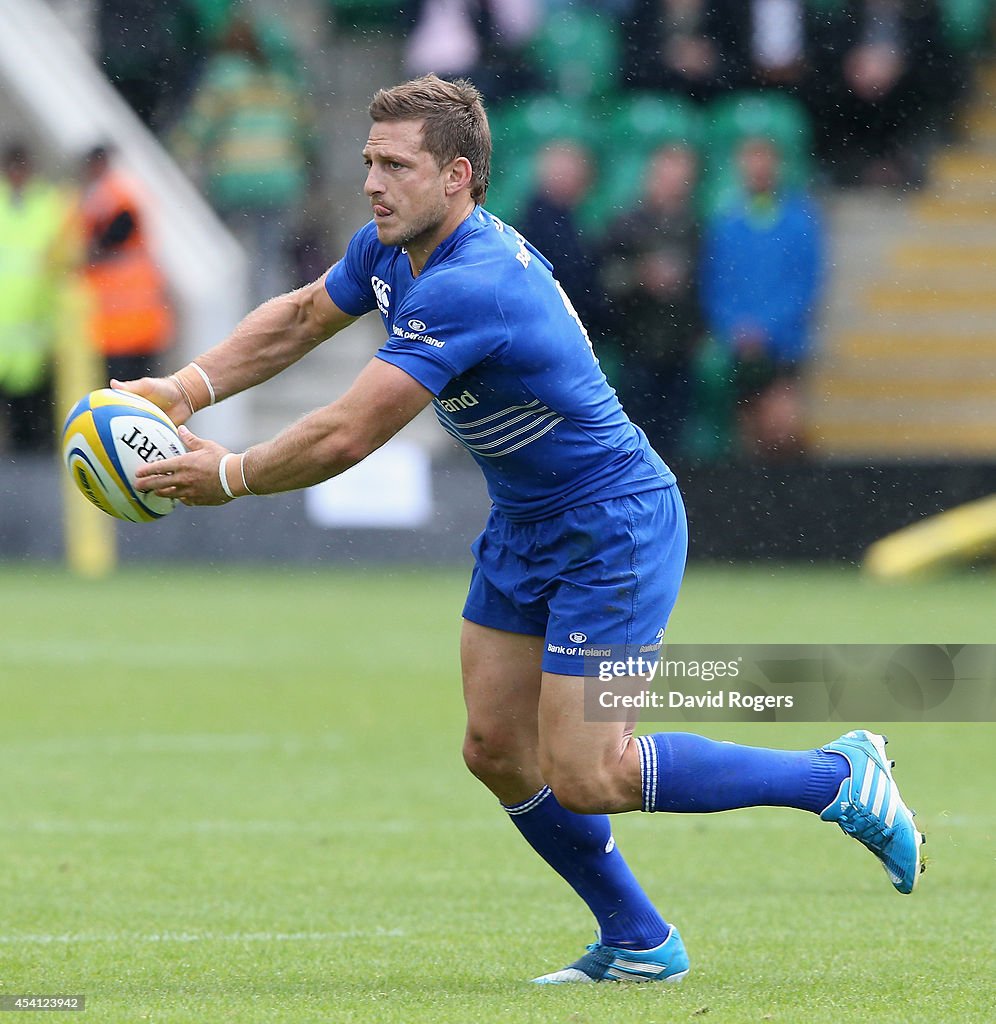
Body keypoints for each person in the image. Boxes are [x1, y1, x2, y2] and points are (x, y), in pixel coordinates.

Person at [117, 75, 924, 984]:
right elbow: (304, 315)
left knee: (591, 771)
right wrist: (181, 390)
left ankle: (835, 778)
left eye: (395, 166)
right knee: (496, 749)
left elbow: (349, 431)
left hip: (611, 526)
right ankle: (639, 942)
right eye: (368, 163)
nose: (372, 183)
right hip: (527, 522)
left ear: (458, 176)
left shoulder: (475, 285)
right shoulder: (393, 251)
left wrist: (229, 474)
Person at [170, 12, 319, 306]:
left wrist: (173, 153)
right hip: (280, 179)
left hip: (234, 178)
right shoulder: (284, 80)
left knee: (221, 248)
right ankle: (267, 315)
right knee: (269, 255)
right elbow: (307, 132)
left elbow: (199, 126)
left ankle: (230, 313)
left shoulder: (223, 77)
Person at [700, 136, 824, 457]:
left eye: (764, 159)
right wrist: (735, 328)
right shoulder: (727, 222)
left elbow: (805, 285)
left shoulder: (799, 221)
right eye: (750, 160)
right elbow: (715, 285)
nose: (757, 168)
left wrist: (767, 329)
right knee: (748, 434)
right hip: (738, 348)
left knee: (782, 428)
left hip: (784, 346)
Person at [598, 143, 703, 458]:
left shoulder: (694, 227)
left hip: (681, 350)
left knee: (674, 441)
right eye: (666, 175)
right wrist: (642, 275)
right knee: (638, 438)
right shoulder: (627, 224)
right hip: (637, 348)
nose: (672, 185)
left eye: (680, 178)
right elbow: (605, 282)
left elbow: (706, 283)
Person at [0, 143, 75, 454]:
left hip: (36, 329)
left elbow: (66, 261)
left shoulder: (51, 205)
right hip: (8, 329)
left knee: (33, 420)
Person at [79, 144, 174, 384]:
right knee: (141, 391)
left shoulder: (110, 198)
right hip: (134, 324)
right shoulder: (119, 194)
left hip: (122, 326)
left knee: (123, 390)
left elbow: (108, 239)